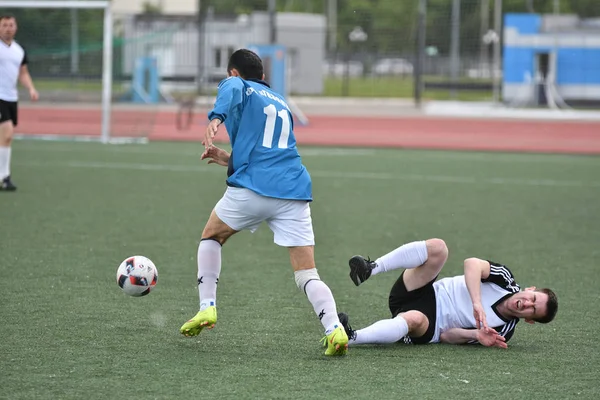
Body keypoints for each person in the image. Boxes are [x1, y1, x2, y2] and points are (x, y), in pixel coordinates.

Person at [179, 49, 348, 356]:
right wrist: (229, 159)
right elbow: (269, 151)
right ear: (264, 77)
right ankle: (334, 329)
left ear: (233, 73)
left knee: (212, 236)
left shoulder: (237, 85)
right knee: (307, 274)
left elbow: (231, 88)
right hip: (293, 191)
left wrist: (216, 118)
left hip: (254, 189)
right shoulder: (281, 101)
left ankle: (207, 307)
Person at [339, 238, 558, 348]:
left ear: (529, 320)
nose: (527, 303)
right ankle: (371, 268)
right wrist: (477, 303)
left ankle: (350, 337)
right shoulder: (505, 279)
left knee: (413, 318)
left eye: (532, 310)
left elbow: (446, 336)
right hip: (424, 290)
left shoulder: (504, 331)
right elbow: (472, 264)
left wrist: (476, 335)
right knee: (438, 248)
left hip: (431, 324)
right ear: (530, 290)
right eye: (533, 298)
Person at [0, 14, 39, 191]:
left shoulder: (19, 51)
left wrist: (30, 88)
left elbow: (23, 73)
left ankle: (4, 177)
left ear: (16, 27)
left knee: (6, 139)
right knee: (6, 134)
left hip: (11, 98)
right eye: (4, 25)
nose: (8, 28)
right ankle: (4, 177)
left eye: (11, 25)